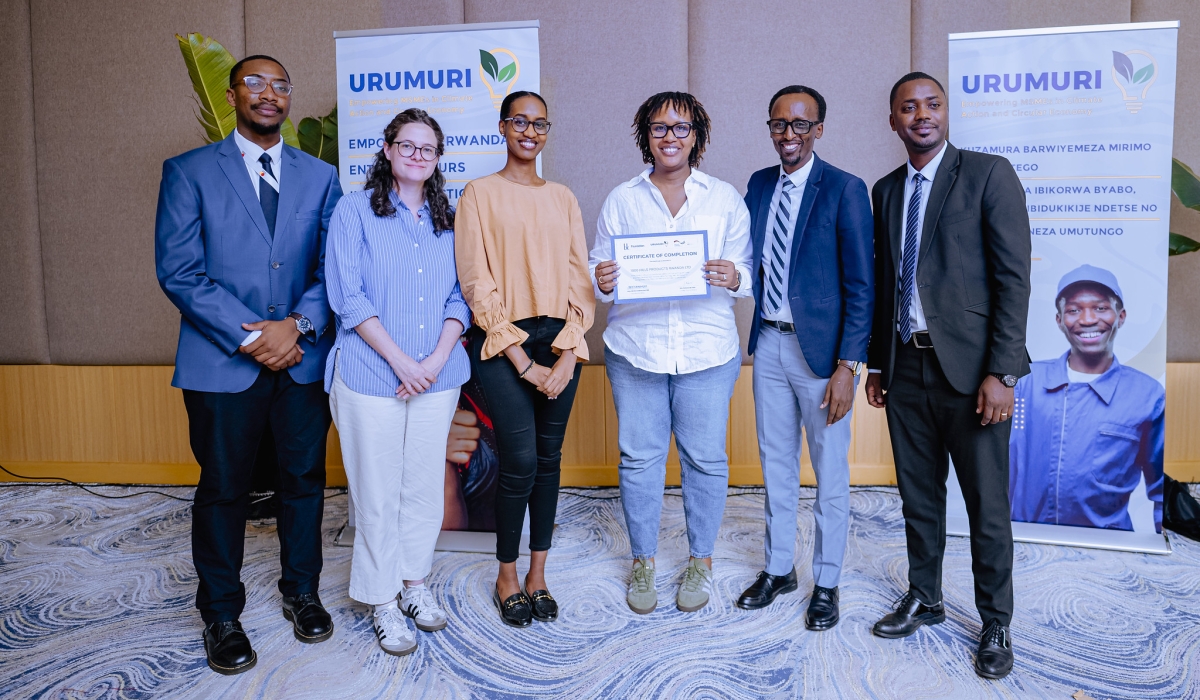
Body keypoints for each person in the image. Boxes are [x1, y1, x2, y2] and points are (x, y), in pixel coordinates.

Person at [154, 55, 342, 675]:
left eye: (281, 84)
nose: (270, 93)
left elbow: (331, 271)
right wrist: (256, 336)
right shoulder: (188, 172)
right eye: (255, 83)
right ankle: (221, 612)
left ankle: (301, 591)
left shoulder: (321, 177)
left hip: (301, 359)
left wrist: (299, 327)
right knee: (224, 488)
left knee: (303, 483)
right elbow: (180, 272)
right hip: (222, 361)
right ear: (232, 95)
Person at [864, 72, 1030, 680]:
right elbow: (887, 285)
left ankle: (995, 621)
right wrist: (880, 361)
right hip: (906, 367)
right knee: (918, 496)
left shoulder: (988, 174)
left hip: (974, 374)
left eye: (932, 104)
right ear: (893, 120)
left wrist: (1002, 372)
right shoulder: (885, 190)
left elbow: (1014, 280)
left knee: (987, 504)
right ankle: (926, 597)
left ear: (946, 112)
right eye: (908, 107)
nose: (922, 115)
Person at [591, 92, 752, 615]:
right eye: (659, 128)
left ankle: (700, 559)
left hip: (707, 350)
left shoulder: (724, 197)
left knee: (704, 459)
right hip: (635, 349)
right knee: (640, 459)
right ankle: (643, 560)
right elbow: (598, 274)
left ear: (697, 136)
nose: (670, 137)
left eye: (682, 128)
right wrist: (602, 278)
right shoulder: (622, 199)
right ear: (645, 136)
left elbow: (747, 272)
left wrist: (735, 275)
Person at [324, 109, 471, 656]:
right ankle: (382, 599)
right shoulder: (354, 211)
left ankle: (414, 585)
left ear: (436, 160)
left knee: (421, 490)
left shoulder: (450, 219)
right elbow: (348, 295)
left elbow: (463, 296)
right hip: (369, 375)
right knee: (377, 494)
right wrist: (402, 363)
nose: (416, 155)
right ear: (386, 150)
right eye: (406, 145)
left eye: (427, 148)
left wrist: (432, 360)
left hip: (438, 375)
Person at [734, 86, 873, 631]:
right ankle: (778, 569)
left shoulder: (844, 189)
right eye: (778, 124)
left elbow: (862, 286)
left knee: (830, 471)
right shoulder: (759, 184)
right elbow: (744, 257)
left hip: (822, 357)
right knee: (775, 464)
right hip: (768, 341)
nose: (787, 135)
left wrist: (849, 365)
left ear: (818, 129)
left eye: (799, 124)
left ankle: (829, 580)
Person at [455, 91, 595, 628]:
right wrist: (522, 361)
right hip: (502, 343)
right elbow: (476, 281)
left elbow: (580, 278)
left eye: (540, 123)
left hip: (560, 341)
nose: (530, 131)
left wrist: (566, 353)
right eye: (519, 121)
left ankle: (539, 573)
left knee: (549, 460)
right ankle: (507, 574)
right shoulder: (479, 194)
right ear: (502, 128)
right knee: (518, 461)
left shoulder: (562, 196)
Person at [1010, 265, 1165, 532]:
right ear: (1059, 320)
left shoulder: (1147, 395)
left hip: (1108, 550)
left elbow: (1162, 491)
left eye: (1101, 308)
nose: (1088, 319)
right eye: (1073, 310)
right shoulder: (1024, 382)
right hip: (1025, 543)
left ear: (1121, 316)